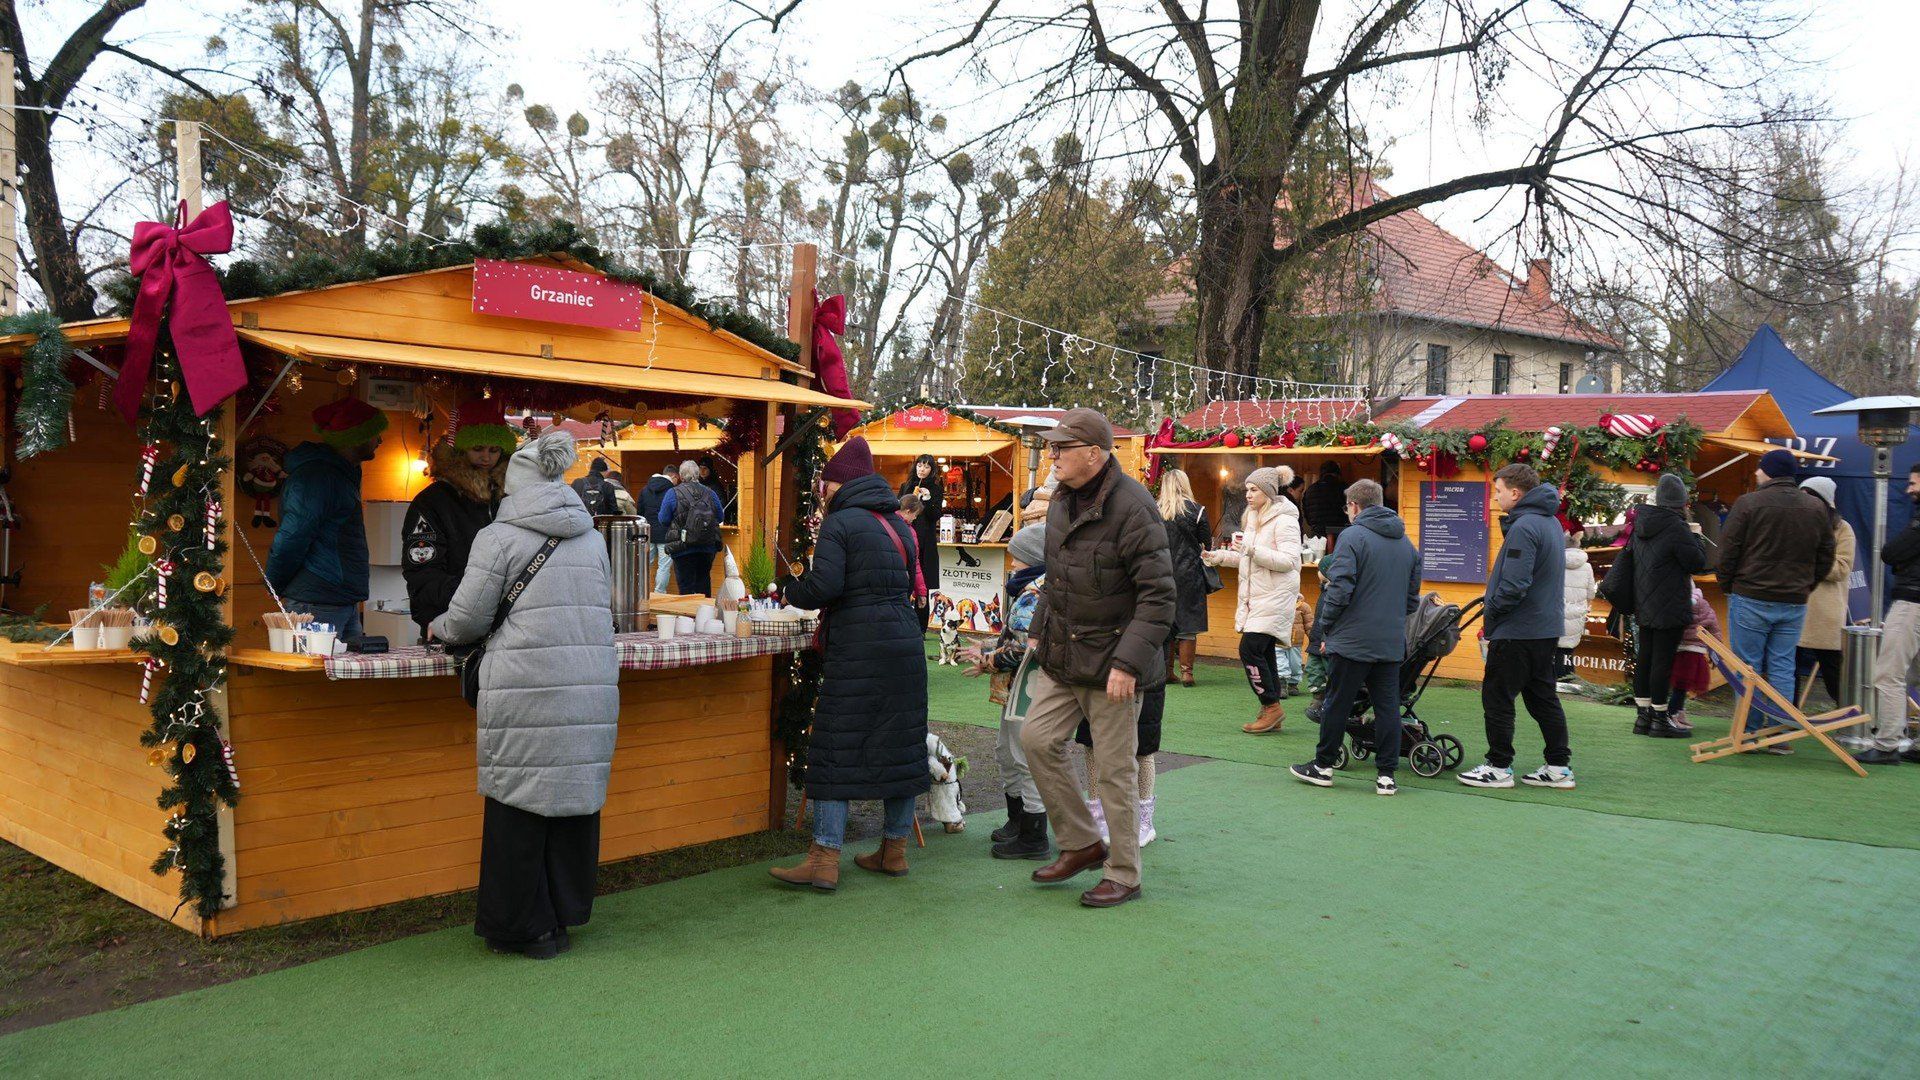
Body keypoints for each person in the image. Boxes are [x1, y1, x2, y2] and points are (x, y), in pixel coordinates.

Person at [428, 431, 617, 959]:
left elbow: (465, 621)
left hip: (526, 691)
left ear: (512, 488)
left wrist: (437, 626)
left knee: (519, 810)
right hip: (590, 690)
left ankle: (525, 927)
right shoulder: (590, 536)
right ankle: (564, 915)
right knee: (571, 806)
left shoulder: (498, 538)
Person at [1019, 408, 1174, 909]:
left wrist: (1127, 664)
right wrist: (1038, 632)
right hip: (1065, 656)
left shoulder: (1134, 507)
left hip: (1113, 663)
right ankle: (1083, 843)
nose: (1052, 454)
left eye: (1061, 447)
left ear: (1095, 453)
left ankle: (1124, 874)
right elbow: (1058, 577)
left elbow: (1159, 597)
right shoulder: (1062, 501)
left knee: (1112, 770)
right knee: (1036, 739)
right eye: (1051, 447)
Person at [771, 436, 930, 889]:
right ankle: (894, 850)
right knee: (901, 745)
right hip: (904, 644)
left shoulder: (839, 525)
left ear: (839, 485)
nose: (822, 492)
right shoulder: (900, 524)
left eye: (825, 485)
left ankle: (823, 858)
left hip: (859, 645)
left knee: (836, 746)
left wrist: (788, 588)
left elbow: (824, 588)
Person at [1288, 479, 1421, 796]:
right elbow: (1412, 600)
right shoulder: (1406, 544)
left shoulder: (1352, 537)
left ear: (1355, 506)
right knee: (1388, 706)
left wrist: (1328, 626)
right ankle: (1387, 776)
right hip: (1389, 640)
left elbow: (1340, 587)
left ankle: (1323, 766)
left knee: (1337, 703)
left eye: (1348, 506)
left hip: (1352, 639)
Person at [1460, 463, 1575, 790]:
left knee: (1497, 697)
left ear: (1515, 492)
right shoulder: (1550, 522)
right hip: (1543, 627)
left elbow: (1514, 583)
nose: (1495, 498)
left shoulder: (1524, 526)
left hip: (1518, 628)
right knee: (1542, 698)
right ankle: (1558, 767)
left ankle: (1498, 767)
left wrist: (1493, 611)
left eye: (1498, 491)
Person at [1717, 448, 1835, 732]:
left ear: (1769, 471)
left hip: (1751, 595)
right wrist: (1807, 585)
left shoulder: (1748, 504)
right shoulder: (1816, 508)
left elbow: (1728, 550)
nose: (1756, 472)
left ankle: (1750, 730)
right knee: (1783, 666)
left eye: (1760, 467)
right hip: (1793, 599)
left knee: (1748, 666)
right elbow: (1826, 555)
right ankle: (1780, 733)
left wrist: (1728, 585)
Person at [960, 524, 1050, 859]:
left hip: (1030, 688)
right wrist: (987, 647)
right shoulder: (1031, 588)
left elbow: (1026, 649)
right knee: (1007, 751)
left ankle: (1034, 836)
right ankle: (1020, 822)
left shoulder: (1036, 594)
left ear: (1033, 560)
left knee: (1024, 757)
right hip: (1019, 688)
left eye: (1018, 557)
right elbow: (1016, 641)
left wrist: (987, 660)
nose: (1011, 563)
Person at [265, 398, 388, 641]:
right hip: (316, 601)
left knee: (343, 676)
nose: (380, 441)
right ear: (356, 437)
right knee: (314, 676)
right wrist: (274, 583)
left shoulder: (340, 473)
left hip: (338, 599)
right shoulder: (317, 477)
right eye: (375, 434)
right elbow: (293, 536)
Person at [402, 398, 513, 642]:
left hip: (504, 628)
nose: (486, 457)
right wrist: (481, 596)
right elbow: (423, 575)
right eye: (478, 448)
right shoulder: (431, 503)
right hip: (448, 625)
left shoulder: (508, 498)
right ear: (460, 450)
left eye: (494, 450)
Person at [1202, 466, 1302, 735]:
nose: (1247, 494)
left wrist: (1250, 549)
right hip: (1257, 597)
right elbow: (1249, 558)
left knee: (1250, 649)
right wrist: (1219, 557)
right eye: (1247, 489)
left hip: (1275, 595)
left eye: (1254, 489)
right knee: (1263, 651)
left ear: (1268, 492)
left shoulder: (1285, 521)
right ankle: (1272, 708)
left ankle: (1271, 707)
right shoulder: (1254, 518)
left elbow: (1290, 562)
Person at [1626, 474, 1708, 739]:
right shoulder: (1677, 527)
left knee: (1646, 659)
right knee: (1662, 662)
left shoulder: (1642, 524)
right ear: (1681, 502)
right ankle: (1661, 720)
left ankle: (1643, 717)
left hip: (1645, 601)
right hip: (1670, 603)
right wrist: (1696, 536)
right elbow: (1696, 562)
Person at [1868, 465, 1920, 766]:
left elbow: (1891, 552)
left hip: (1912, 603)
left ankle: (1886, 743)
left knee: (1889, 674)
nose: (1908, 489)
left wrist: (1899, 563)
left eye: (1913, 483)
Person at [1795, 477, 1855, 709]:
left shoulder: (1842, 528)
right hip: (1794, 606)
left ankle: (1851, 718)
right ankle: (1787, 721)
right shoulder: (1794, 523)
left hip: (1824, 611)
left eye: (1811, 497)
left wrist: (1804, 562)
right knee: (1787, 671)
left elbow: (1841, 568)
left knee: (1833, 671)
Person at [1156, 467, 1212, 687]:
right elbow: (1206, 543)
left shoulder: (1154, 509)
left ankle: (1166, 672)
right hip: (1189, 573)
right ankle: (1187, 673)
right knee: (1188, 624)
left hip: (1160, 571)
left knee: (1164, 622)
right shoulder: (1197, 510)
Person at [658, 460, 726, 595]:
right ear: (697, 475)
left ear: (681, 476)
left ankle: (688, 615)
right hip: (707, 547)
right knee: (703, 582)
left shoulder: (673, 493)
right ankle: (705, 614)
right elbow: (720, 517)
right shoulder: (710, 493)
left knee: (685, 587)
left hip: (682, 547)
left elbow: (664, 519)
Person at [1667, 586, 1720, 734]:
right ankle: (1673, 713)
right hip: (1696, 651)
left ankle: (1675, 712)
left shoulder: (1676, 602)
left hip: (1680, 649)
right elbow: (1714, 629)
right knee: (1683, 686)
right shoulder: (1704, 604)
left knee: (1680, 685)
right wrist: (1716, 653)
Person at [899, 454, 944, 600]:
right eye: (919, 465)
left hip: (926, 541)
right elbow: (898, 510)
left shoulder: (936, 489)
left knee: (922, 585)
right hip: (905, 537)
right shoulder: (905, 486)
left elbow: (935, 515)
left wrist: (928, 499)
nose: (922, 469)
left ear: (932, 469)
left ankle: (921, 620)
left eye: (926, 466)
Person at [1558, 534, 1596, 692]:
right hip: (1577, 611)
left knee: (1556, 647)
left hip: (1558, 609)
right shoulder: (1586, 567)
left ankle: (1555, 678)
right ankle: (1569, 676)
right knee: (1569, 647)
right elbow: (1591, 594)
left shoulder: (1556, 562)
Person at [636, 464, 679, 593]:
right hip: (666, 534)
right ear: (673, 476)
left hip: (647, 533)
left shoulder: (644, 489)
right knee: (664, 567)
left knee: (644, 565)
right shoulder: (672, 491)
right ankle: (659, 593)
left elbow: (640, 513)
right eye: (677, 479)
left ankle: (640, 592)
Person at [1302, 460, 1349, 546]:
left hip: (1318, 534)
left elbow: (1307, 513)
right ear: (1337, 473)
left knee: (1318, 558)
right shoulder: (1344, 488)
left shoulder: (1310, 489)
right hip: (1340, 533)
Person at [698, 458, 734, 524]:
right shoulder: (696, 483)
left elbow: (721, 505)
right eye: (700, 468)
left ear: (710, 470)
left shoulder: (716, 486)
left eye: (705, 468)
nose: (702, 471)